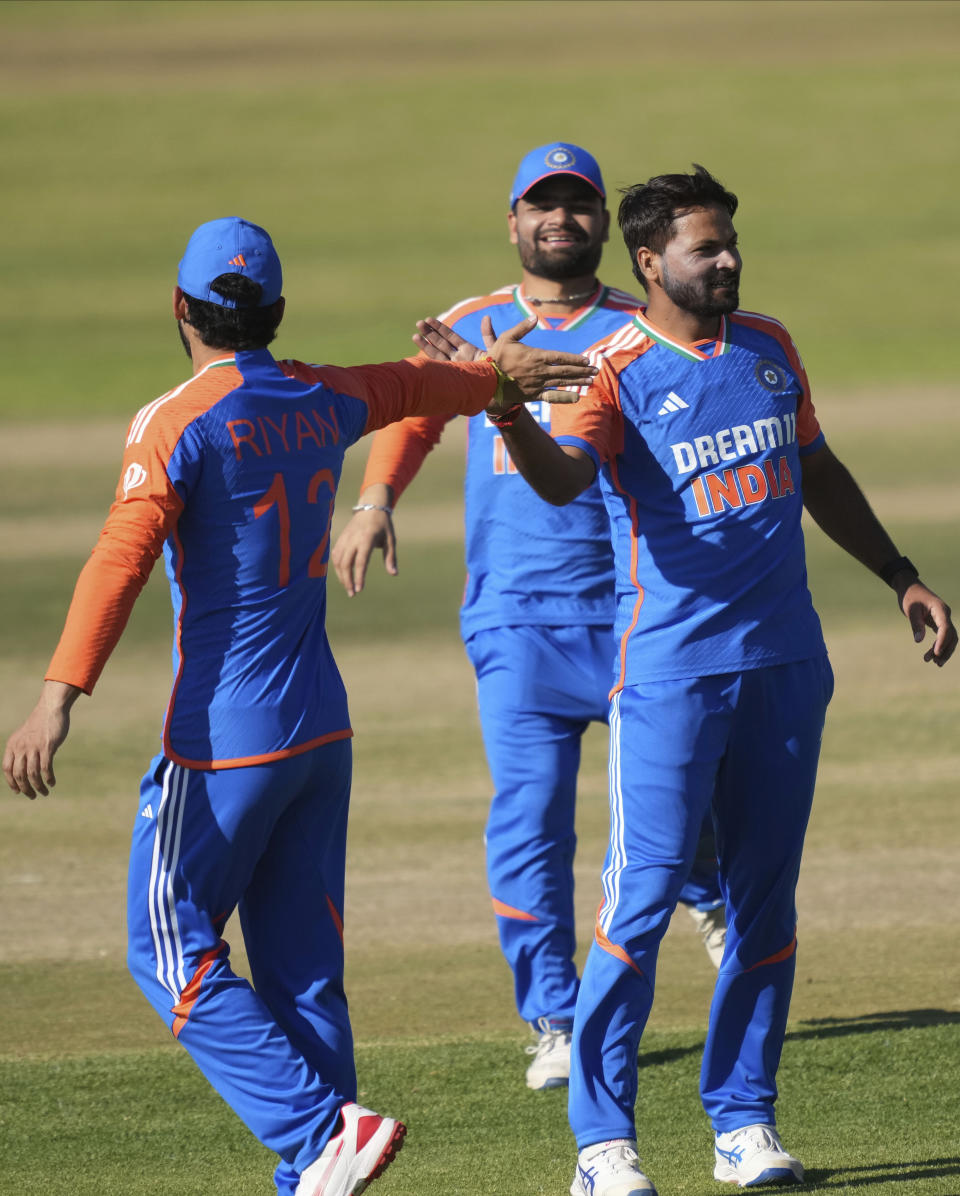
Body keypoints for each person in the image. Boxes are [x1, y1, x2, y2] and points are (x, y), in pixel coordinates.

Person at [1, 217, 596, 1196]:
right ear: (275, 312)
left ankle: (320, 1129)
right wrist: (496, 377)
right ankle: (322, 1163)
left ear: (182, 310)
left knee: (163, 941)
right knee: (302, 973)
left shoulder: (176, 420)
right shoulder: (325, 395)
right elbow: (418, 386)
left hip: (226, 741)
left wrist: (56, 699)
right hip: (322, 729)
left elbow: (120, 559)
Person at [414, 165, 956, 1195]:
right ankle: (603, 1143)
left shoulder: (770, 346)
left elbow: (819, 470)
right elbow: (569, 479)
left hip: (788, 666)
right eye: (708, 249)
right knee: (644, 896)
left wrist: (900, 575)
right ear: (652, 261)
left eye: (732, 244)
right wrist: (508, 411)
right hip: (668, 673)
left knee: (764, 905)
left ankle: (744, 1123)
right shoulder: (609, 364)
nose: (730, 261)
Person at [331, 144, 726, 1094]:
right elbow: (413, 418)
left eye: (578, 203)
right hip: (514, 618)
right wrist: (375, 500)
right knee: (529, 822)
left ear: (604, 225)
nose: (560, 219)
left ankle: (713, 902)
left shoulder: (643, 327)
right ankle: (553, 1017)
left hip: (637, 608)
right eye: (541, 204)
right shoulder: (469, 327)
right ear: (512, 221)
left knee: (680, 805)